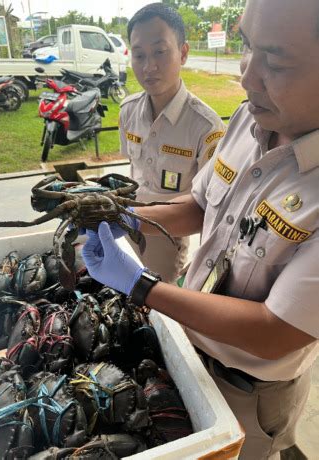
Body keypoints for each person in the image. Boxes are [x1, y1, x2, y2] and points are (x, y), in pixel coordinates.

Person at [82, 0, 319, 458]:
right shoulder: (251, 118)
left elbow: (275, 331)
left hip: (251, 388)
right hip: (188, 341)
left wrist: (142, 286)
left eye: (275, 59)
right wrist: (130, 218)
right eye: (246, 45)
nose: (247, 76)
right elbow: (199, 204)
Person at [119, 3, 225, 283]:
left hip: (169, 241)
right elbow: (131, 171)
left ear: (184, 53)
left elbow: (211, 208)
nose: (148, 66)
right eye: (139, 54)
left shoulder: (206, 127)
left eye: (160, 52)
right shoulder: (127, 111)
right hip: (127, 228)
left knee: (157, 312)